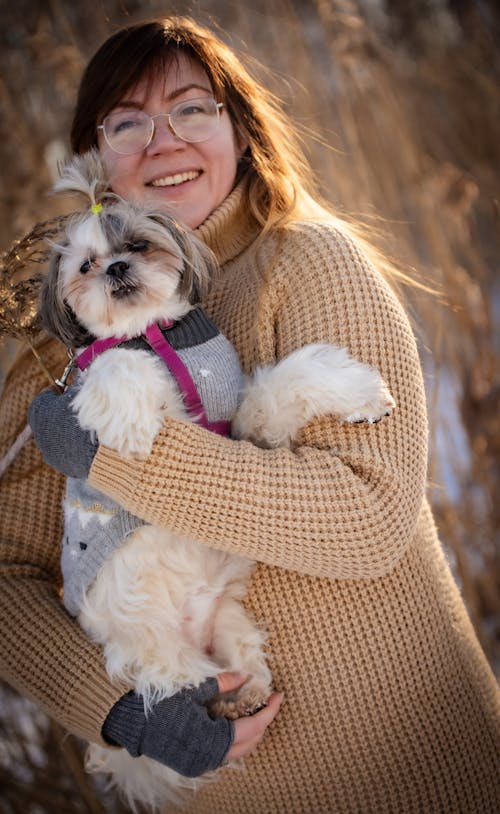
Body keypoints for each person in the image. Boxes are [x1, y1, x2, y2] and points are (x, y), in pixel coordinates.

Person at [1, 15, 499, 814]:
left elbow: (367, 519)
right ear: (97, 162)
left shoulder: (307, 260)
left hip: (420, 777)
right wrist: (117, 712)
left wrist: (117, 458)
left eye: (192, 109)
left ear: (238, 126)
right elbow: (7, 576)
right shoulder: (70, 341)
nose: (163, 141)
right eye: (128, 122)